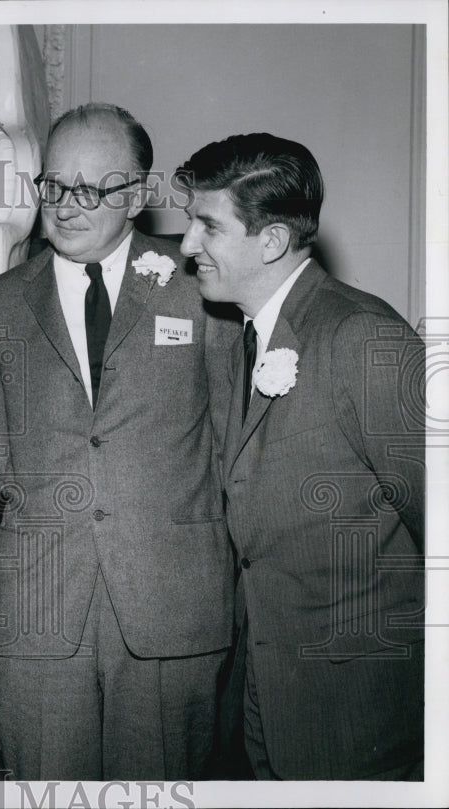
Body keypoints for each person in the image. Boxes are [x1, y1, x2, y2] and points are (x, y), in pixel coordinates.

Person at [0, 103, 235, 780]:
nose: (66, 206)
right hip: (43, 602)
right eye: (54, 186)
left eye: (92, 190)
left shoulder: (201, 287)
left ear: (140, 194)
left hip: (171, 602)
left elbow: (233, 439)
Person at [177, 133, 425, 779]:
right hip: (265, 694)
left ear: (272, 240)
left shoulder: (363, 336)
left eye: (207, 225)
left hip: (357, 709)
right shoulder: (240, 336)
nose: (186, 246)